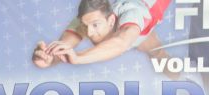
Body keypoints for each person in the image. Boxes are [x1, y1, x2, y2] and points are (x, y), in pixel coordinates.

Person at [33, 0, 174, 69]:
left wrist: (78, 58)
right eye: (85, 26)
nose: (89, 33)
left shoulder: (132, 14)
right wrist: (50, 57)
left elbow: (121, 43)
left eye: (95, 25)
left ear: (111, 20)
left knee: (157, 54)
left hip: (144, 13)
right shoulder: (89, 17)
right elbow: (63, 47)